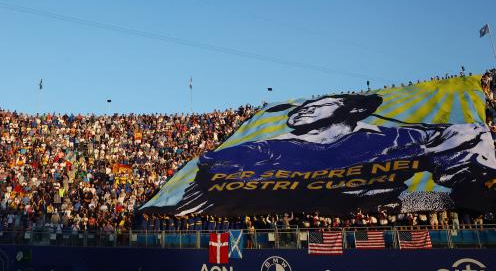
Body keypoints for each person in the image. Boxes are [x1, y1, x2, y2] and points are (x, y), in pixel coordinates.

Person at [174, 94, 496, 215]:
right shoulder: (267, 148)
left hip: (384, 213)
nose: (303, 109)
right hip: (317, 218)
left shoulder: (397, 136)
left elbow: (461, 140)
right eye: (301, 108)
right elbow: (212, 177)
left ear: (351, 108)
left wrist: (460, 187)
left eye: (315, 104)